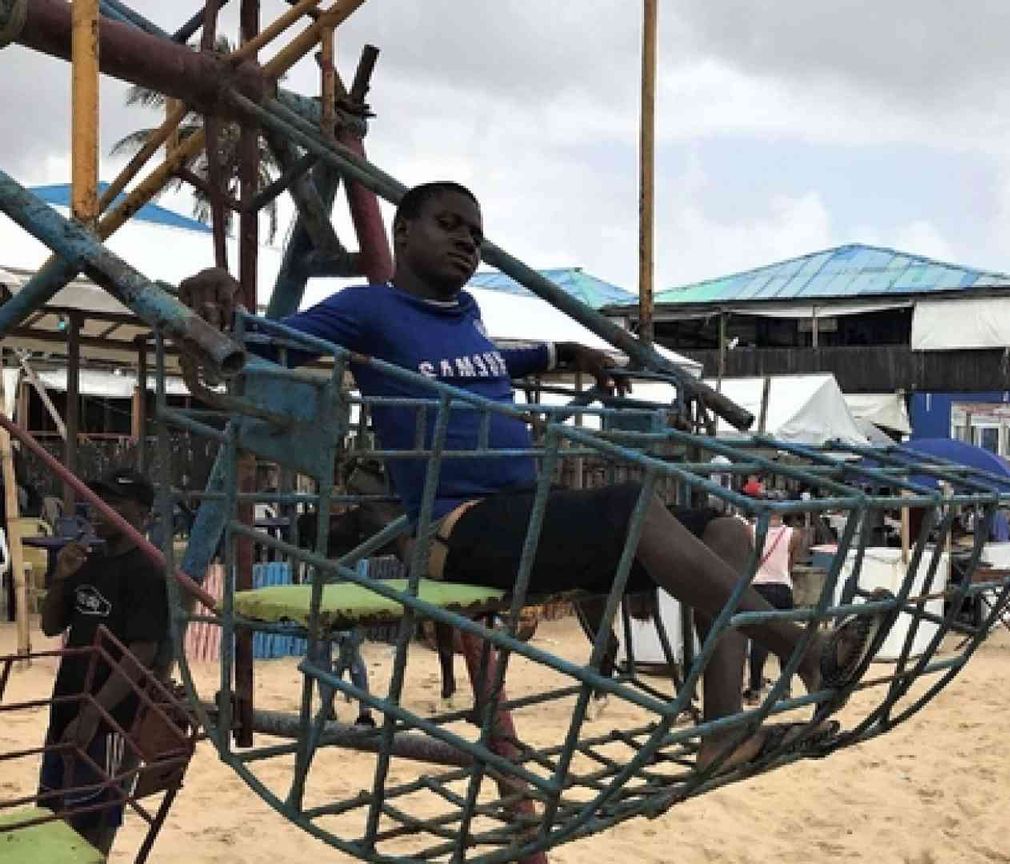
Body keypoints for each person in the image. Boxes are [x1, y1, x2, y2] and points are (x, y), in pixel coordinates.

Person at [177, 181, 890, 771]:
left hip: (525, 515)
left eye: (477, 235)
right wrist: (208, 304)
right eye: (450, 225)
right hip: (460, 528)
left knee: (727, 527)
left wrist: (563, 349)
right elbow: (265, 341)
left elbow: (495, 360)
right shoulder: (370, 311)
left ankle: (722, 731)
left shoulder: (468, 314)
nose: (467, 241)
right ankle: (804, 651)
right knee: (631, 504)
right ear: (401, 231)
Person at [37, 468, 168, 856]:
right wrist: (61, 577)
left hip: (109, 719)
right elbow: (49, 626)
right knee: (50, 812)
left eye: (112, 503)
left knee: (88, 822)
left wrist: (94, 713)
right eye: (95, 500)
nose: (98, 510)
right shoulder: (87, 560)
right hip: (65, 705)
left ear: (141, 513)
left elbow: (143, 651)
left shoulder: (147, 572)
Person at [743, 510, 805, 705]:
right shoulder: (794, 535)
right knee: (784, 638)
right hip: (782, 586)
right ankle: (785, 689)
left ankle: (754, 690)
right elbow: (790, 564)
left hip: (758, 587)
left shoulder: (751, 531)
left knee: (759, 640)